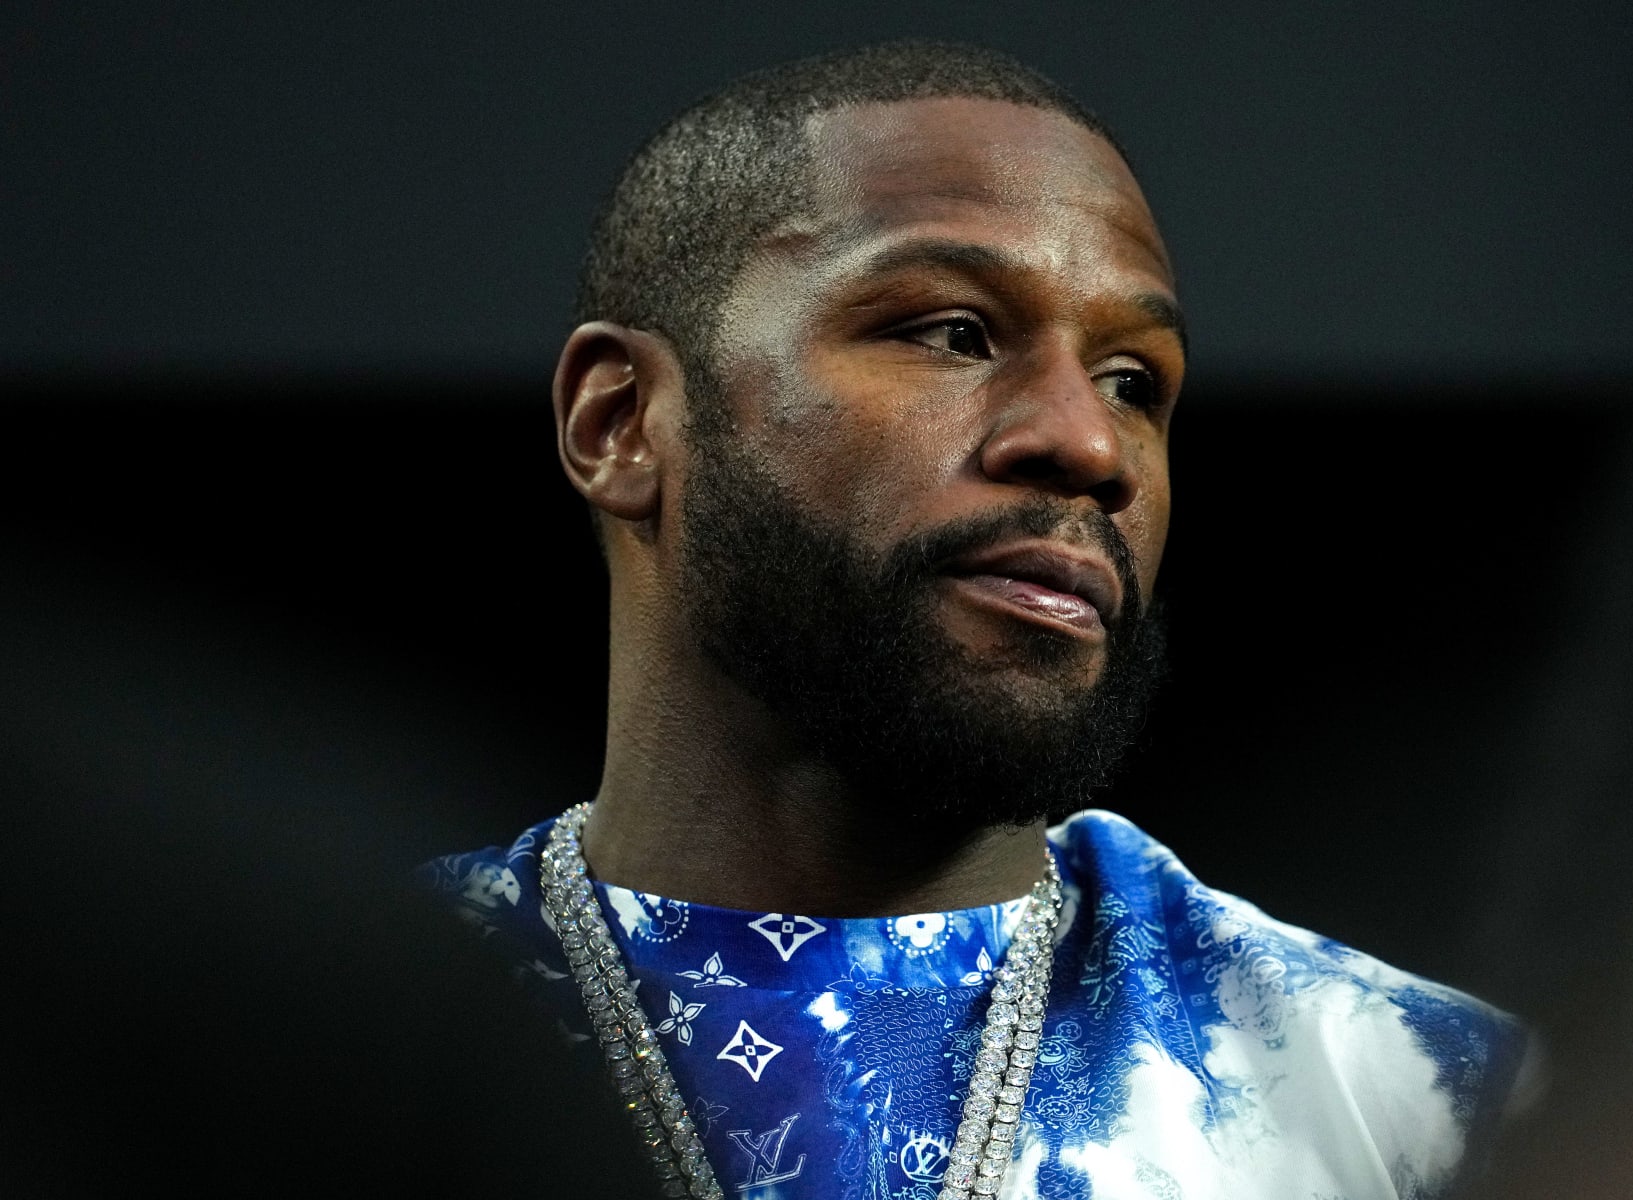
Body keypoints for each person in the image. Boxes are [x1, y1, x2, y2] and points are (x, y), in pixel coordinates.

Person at [422, 41, 1526, 1200]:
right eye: (954, 332)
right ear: (621, 423)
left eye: (1134, 383)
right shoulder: (330, 1048)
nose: (1089, 446)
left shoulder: (1434, 1109)